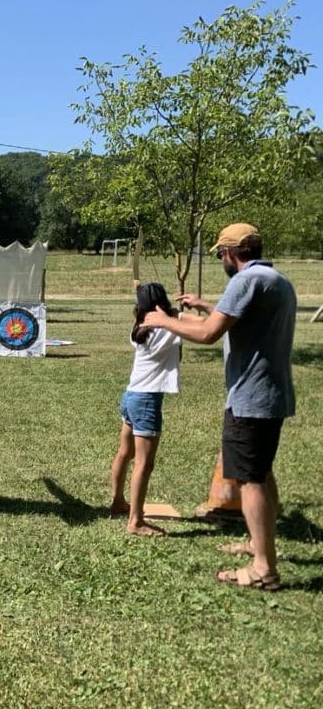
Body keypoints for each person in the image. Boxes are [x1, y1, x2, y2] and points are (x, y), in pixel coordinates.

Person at [144, 223, 295, 590]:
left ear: (229, 253)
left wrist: (163, 320)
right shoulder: (275, 279)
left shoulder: (244, 281)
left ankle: (263, 569)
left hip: (251, 398)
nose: (219, 261)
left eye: (219, 255)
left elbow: (209, 333)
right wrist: (203, 307)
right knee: (261, 472)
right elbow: (234, 321)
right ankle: (258, 544)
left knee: (250, 480)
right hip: (273, 395)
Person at [109, 282, 182, 536]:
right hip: (147, 400)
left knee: (124, 453)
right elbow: (196, 328)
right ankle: (135, 521)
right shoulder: (167, 326)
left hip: (130, 396)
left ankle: (118, 502)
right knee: (144, 463)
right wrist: (178, 312)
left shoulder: (139, 325)